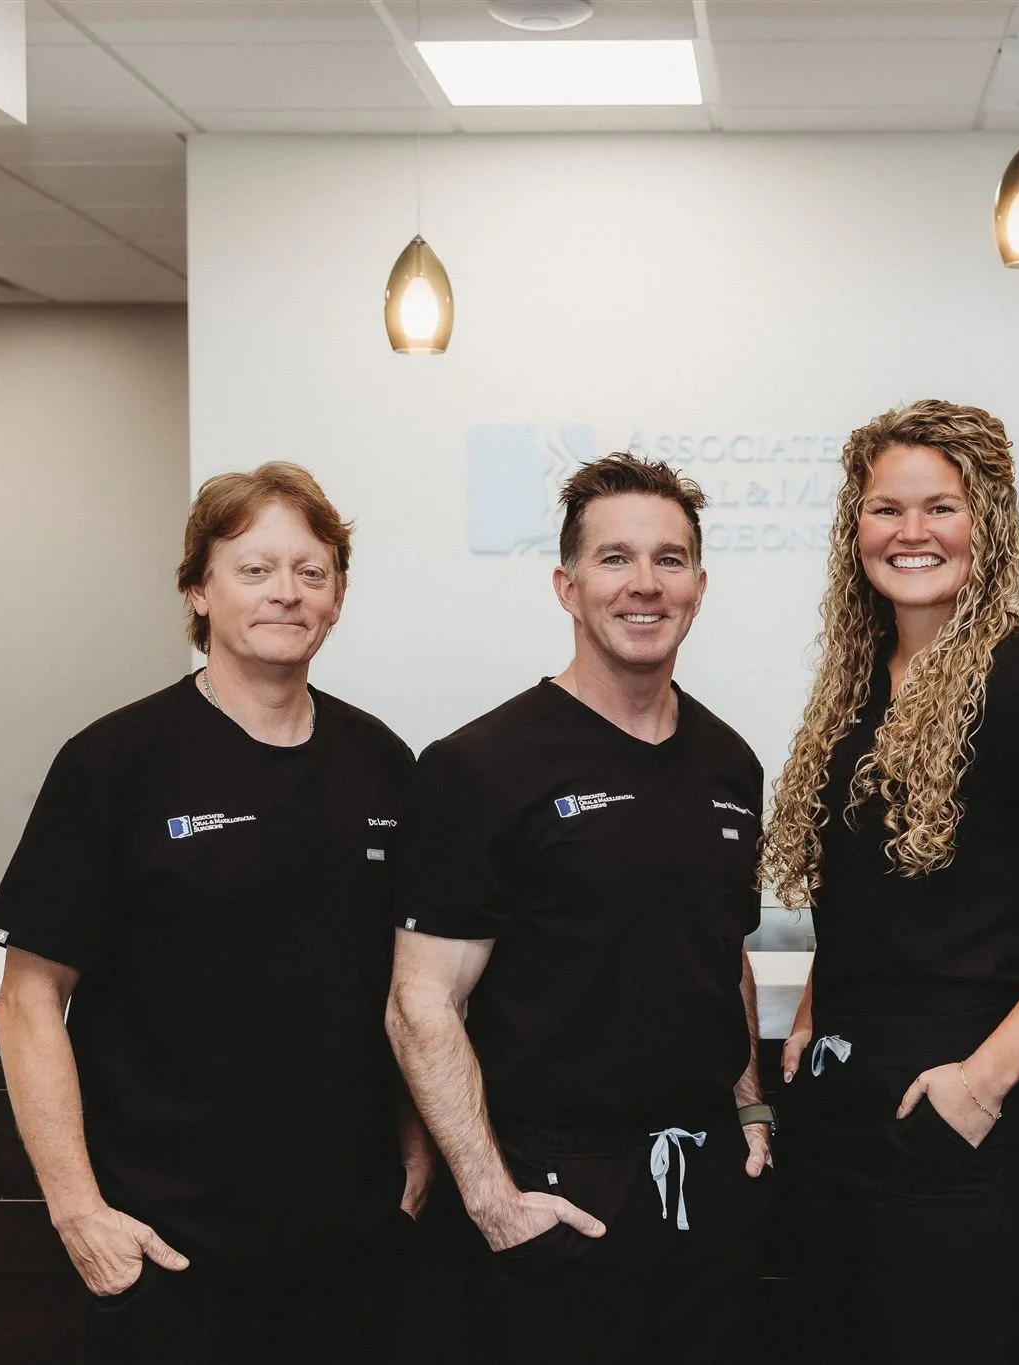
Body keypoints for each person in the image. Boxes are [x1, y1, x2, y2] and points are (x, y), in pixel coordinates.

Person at [0, 463, 429, 1365]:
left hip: (348, 1241)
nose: (286, 593)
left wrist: (414, 1155)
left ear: (339, 595)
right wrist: (80, 1215)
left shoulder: (384, 762)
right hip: (167, 1246)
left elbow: (410, 977)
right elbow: (26, 1001)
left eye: (311, 570)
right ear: (199, 588)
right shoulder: (114, 763)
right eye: (254, 568)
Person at [759, 399, 1019, 1365]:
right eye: (887, 508)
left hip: (964, 1130)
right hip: (844, 1118)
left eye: (942, 506)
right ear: (857, 529)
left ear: (990, 523)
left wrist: (983, 1080)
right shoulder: (859, 686)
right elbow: (880, 894)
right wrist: (817, 999)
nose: (912, 532)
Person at [386, 453, 772, 1365]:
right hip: (554, 1191)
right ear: (566, 585)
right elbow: (420, 1003)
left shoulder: (729, 762)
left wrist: (752, 1115)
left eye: (670, 560)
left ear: (701, 586)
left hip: (708, 1189)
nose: (645, 585)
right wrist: (493, 1201)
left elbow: (726, 952)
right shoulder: (480, 766)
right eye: (615, 559)